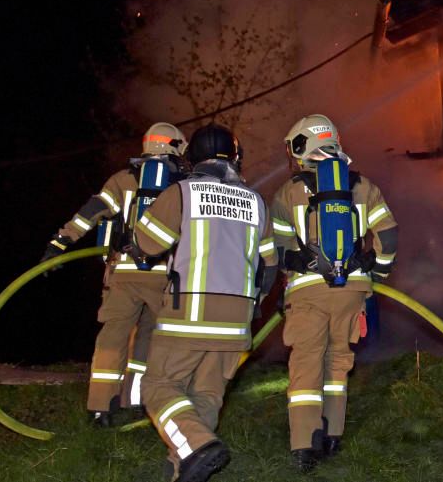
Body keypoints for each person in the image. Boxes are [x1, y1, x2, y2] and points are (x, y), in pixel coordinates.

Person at [132, 124, 277, 482]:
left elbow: (146, 245)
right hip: (237, 321)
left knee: (159, 387)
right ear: (236, 157)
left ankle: (197, 447)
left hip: (189, 316)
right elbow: (270, 265)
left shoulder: (182, 192)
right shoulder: (255, 201)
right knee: (206, 396)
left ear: (191, 158)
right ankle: (183, 470)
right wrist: (253, 304)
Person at [271, 114, 398, 471]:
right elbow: (388, 234)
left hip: (308, 291)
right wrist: (380, 272)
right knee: (338, 361)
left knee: (306, 363)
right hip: (353, 289)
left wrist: (286, 281)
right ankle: (333, 436)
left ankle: (304, 445)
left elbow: (276, 250)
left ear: (301, 147)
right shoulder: (363, 187)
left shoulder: (288, 192)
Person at [41, 122, 187, 425]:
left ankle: (100, 409)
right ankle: (136, 401)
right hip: (164, 276)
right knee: (151, 339)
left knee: (112, 339)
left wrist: (59, 244)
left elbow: (91, 213)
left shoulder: (123, 180)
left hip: (123, 274)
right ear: (177, 146)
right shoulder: (182, 185)